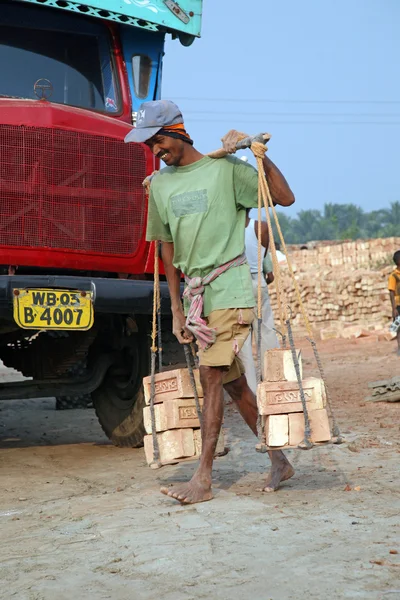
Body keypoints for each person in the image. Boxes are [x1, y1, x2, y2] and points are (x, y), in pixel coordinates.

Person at [125, 99, 295, 504]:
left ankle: (203, 478)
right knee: (234, 385)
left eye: (159, 140)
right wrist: (177, 310)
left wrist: (258, 157)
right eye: (149, 144)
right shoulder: (160, 185)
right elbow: (165, 251)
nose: (156, 150)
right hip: (196, 295)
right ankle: (279, 460)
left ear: (179, 131)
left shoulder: (226, 169)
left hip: (231, 289)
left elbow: (284, 198)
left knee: (211, 377)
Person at [239, 210, 279, 394]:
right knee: (266, 331)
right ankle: (273, 380)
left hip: (237, 285)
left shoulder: (227, 228)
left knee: (243, 339)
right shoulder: (260, 227)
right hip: (258, 283)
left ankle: (251, 392)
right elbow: (265, 261)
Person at [388, 250, 400, 355]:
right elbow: (391, 292)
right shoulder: (393, 276)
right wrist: (394, 308)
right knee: (398, 327)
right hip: (398, 305)